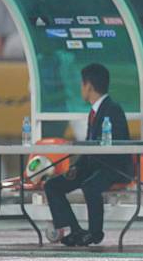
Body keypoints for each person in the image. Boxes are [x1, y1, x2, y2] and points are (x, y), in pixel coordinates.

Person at [44, 64, 133, 247]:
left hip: (113, 168)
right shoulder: (94, 111)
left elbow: (115, 146)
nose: (81, 89)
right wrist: (76, 167)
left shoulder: (113, 109)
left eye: (81, 85)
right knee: (52, 185)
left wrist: (87, 167)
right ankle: (75, 230)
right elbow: (89, 146)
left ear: (89, 86)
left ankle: (95, 233)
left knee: (90, 185)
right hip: (94, 166)